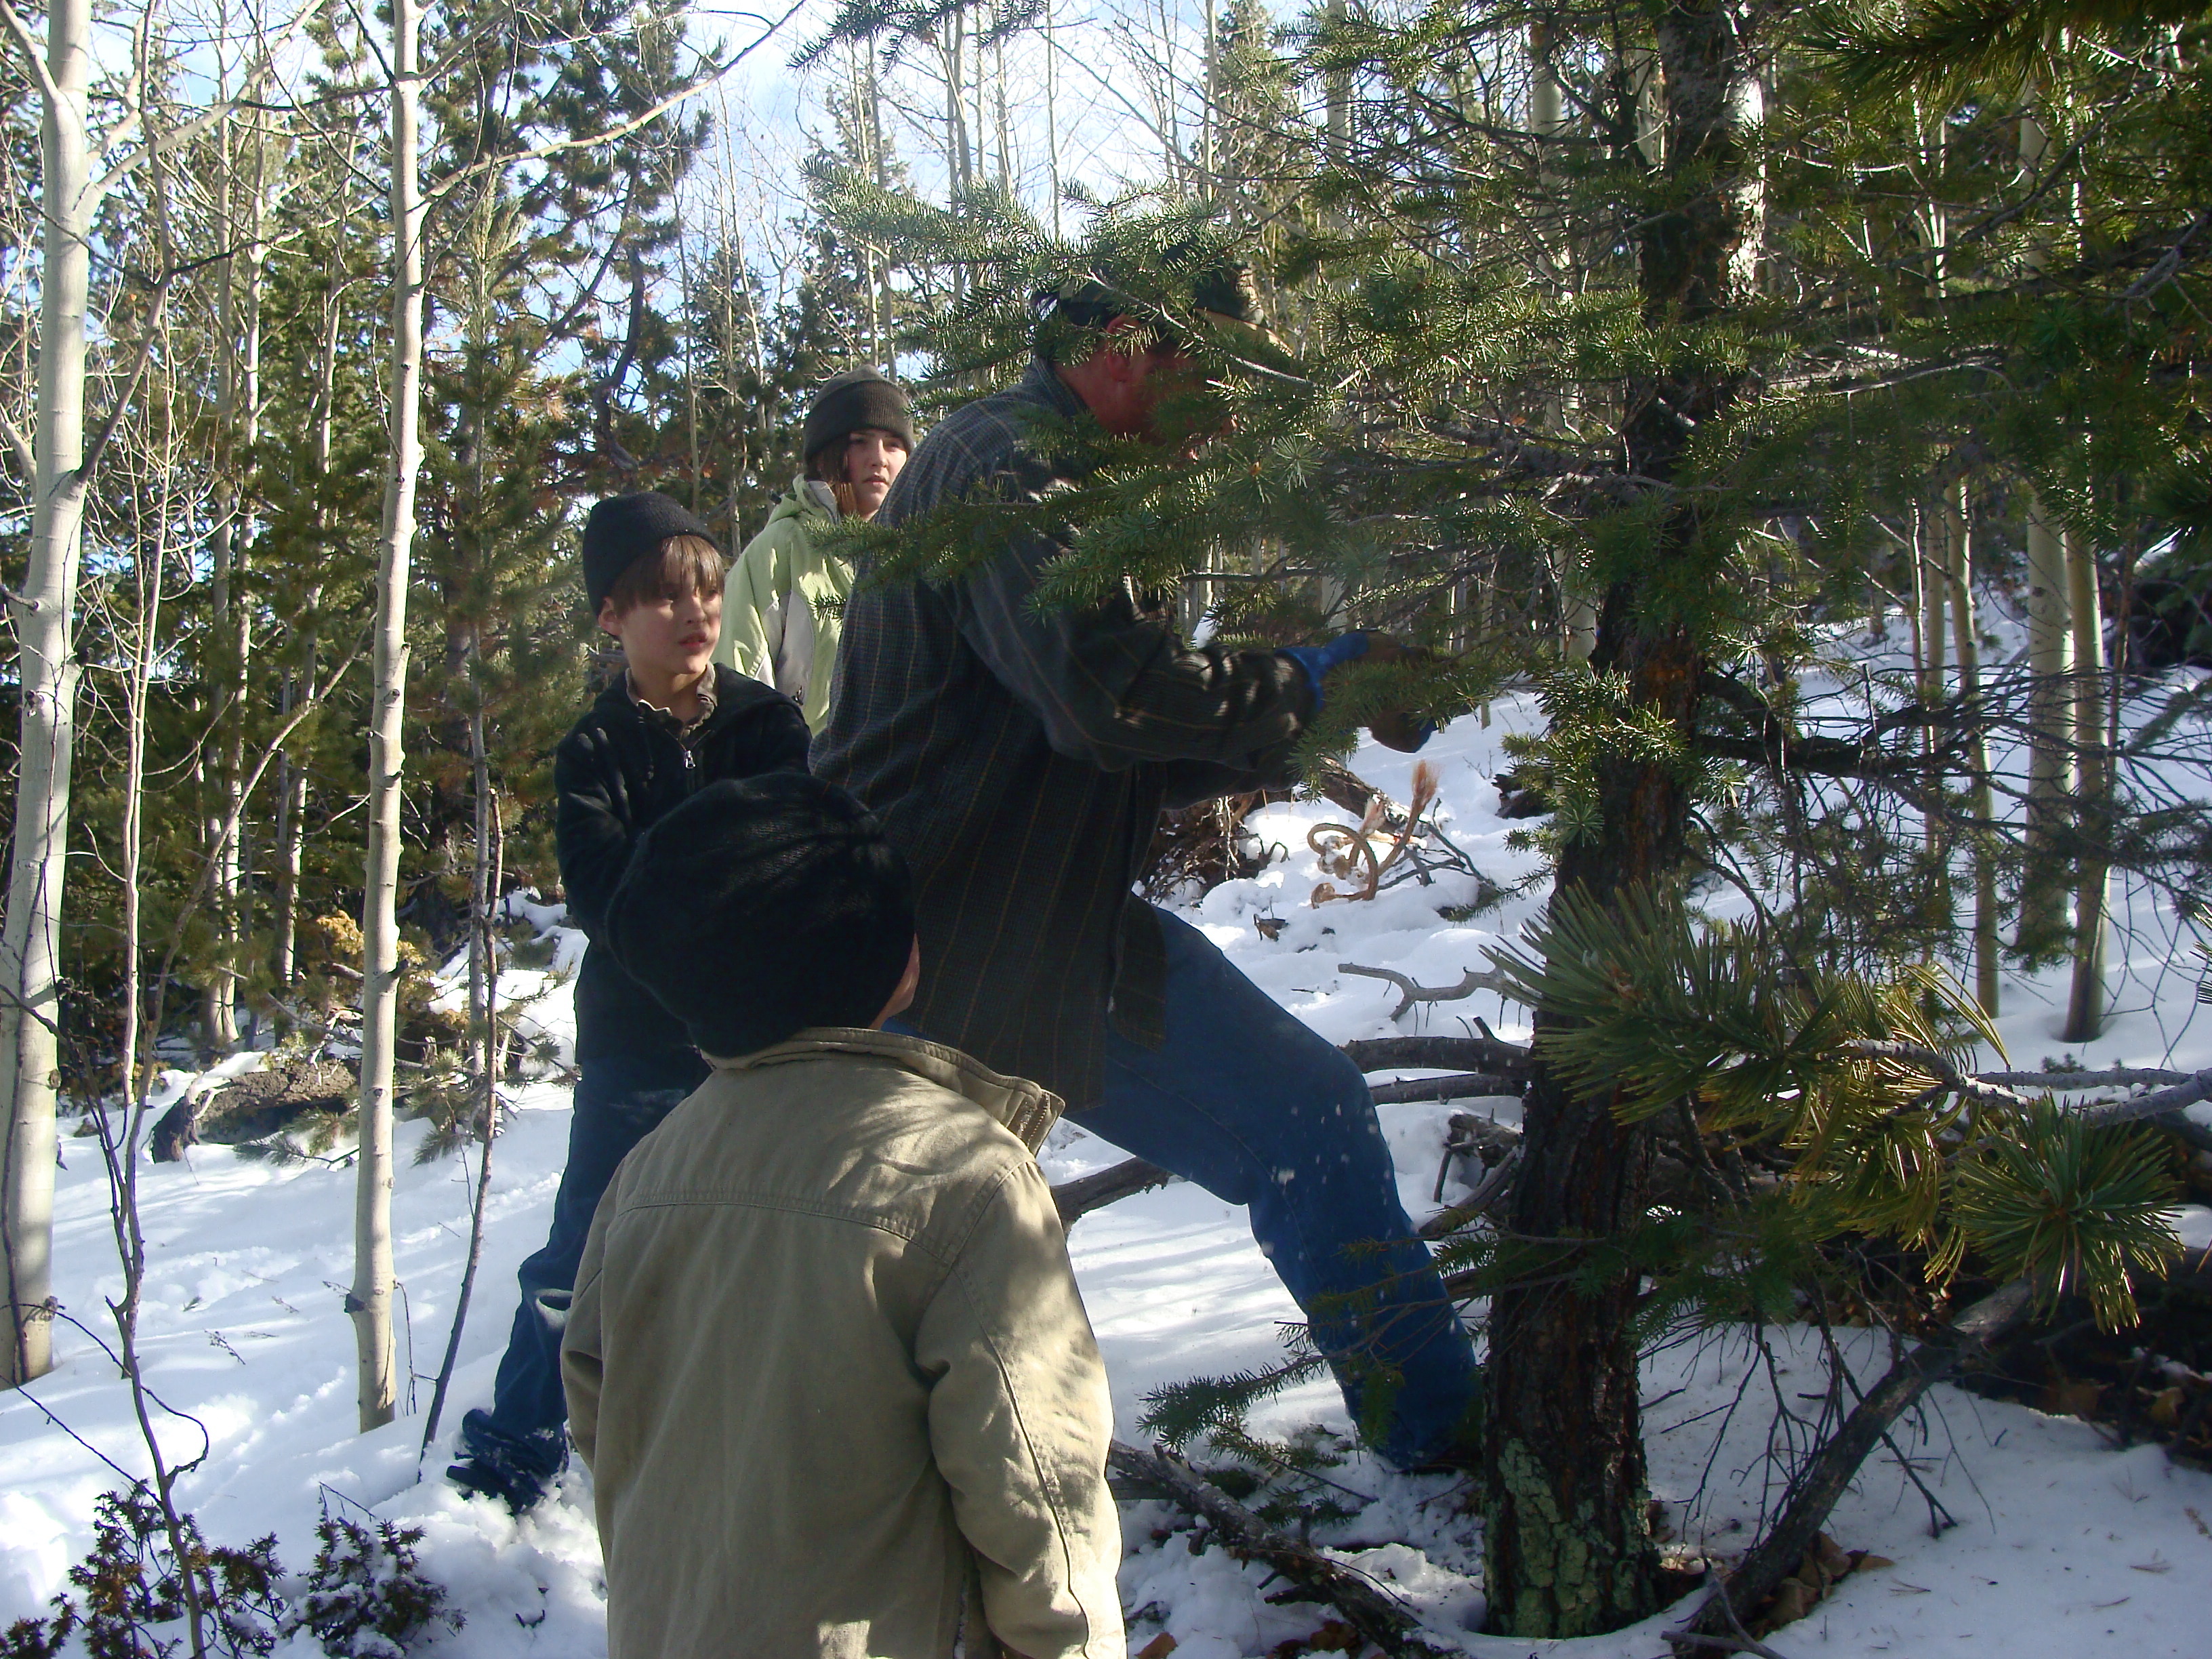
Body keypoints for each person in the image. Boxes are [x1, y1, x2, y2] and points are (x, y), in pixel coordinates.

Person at [813, 263, 1483, 1472]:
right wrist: (1309, 679)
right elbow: (1107, 701)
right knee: (907, 1286)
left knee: (1307, 1115)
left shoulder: (1079, 484)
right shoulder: (1007, 465)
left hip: (1045, 925)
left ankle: (1443, 1440)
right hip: (929, 952)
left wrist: (1311, 713)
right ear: (1125, 347)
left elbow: (1110, 748)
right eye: (1214, 382)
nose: (1229, 423)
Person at [563, 774, 1124, 1659]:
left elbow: (605, 1420)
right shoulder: (961, 1172)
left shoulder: (647, 1173)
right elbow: (1036, 1481)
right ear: (902, 959)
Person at [447, 492, 811, 1513]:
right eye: (662, 597)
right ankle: (517, 1447)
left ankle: (768, 1441)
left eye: (706, 590)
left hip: (768, 1037)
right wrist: (718, 876)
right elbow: (607, 904)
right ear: (611, 615)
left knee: (773, 1246)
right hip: (637, 1045)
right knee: (584, 1255)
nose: (694, 613)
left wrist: (689, 881)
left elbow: (795, 867)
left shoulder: (767, 725)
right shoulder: (595, 751)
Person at [718, 367, 915, 731]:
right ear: (828, 453)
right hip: (804, 763)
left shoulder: (924, 554)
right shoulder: (780, 551)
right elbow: (738, 684)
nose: (879, 458)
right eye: (860, 441)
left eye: (893, 444)